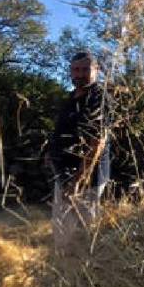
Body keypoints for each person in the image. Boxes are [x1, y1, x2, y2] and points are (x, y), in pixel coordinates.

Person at [46, 51, 110, 253]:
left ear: (96, 71)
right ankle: (63, 270)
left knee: (84, 228)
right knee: (61, 226)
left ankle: (85, 274)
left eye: (85, 70)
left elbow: (97, 142)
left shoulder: (99, 98)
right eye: (75, 70)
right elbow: (62, 130)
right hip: (64, 173)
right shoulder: (71, 97)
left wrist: (79, 180)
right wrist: (50, 154)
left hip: (86, 178)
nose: (79, 74)